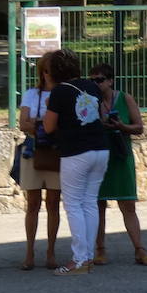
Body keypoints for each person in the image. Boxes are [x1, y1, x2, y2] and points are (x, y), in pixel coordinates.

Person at [43, 48, 109, 275]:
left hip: (75, 151)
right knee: (90, 202)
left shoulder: (60, 92)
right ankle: (88, 256)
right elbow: (100, 116)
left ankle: (79, 260)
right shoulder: (92, 86)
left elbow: (49, 126)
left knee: (73, 204)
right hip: (100, 149)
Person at [91, 63, 147, 266]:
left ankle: (139, 248)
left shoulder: (125, 98)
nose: (95, 84)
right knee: (98, 205)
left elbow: (139, 127)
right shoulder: (88, 101)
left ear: (110, 81)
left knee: (128, 204)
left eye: (99, 80)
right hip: (98, 155)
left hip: (120, 154)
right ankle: (100, 249)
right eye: (92, 80)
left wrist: (121, 126)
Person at [17, 52, 62, 270]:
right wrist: (47, 123)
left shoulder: (63, 94)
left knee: (53, 203)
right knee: (32, 204)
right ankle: (29, 253)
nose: (48, 74)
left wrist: (38, 123)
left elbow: (31, 122)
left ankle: (51, 253)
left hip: (54, 150)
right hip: (33, 150)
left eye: (52, 70)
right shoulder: (31, 94)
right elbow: (22, 123)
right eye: (46, 70)